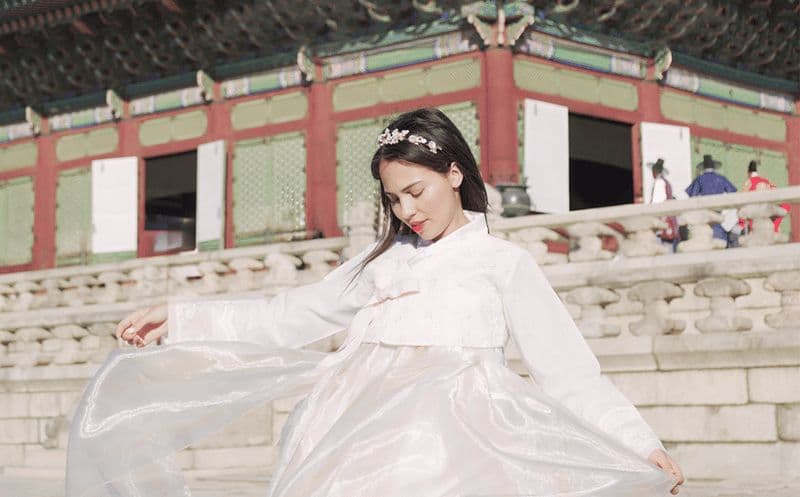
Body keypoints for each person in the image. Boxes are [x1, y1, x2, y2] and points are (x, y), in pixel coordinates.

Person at [66, 108, 683, 497]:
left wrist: (639, 442)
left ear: (454, 175)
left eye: (416, 191)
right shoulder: (380, 265)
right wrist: (182, 315)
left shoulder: (502, 263)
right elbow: (290, 316)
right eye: (393, 199)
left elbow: (566, 370)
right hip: (349, 440)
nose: (407, 210)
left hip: (459, 445)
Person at [685, 154, 739, 247]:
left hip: (705, 217)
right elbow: (732, 191)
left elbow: (692, 195)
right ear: (713, 167)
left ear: (703, 167)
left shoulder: (699, 179)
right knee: (720, 245)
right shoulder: (721, 178)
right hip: (719, 217)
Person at [740, 160, 789, 233]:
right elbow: (785, 205)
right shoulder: (767, 182)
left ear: (748, 173)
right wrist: (775, 225)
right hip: (774, 213)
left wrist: (742, 224)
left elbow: (742, 203)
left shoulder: (748, 183)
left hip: (758, 218)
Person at [649, 158, 680, 252]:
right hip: (669, 218)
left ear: (655, 171)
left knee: (663, 248)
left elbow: (656, 203)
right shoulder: (666, 182)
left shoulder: (659, 182)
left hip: (663, 219)